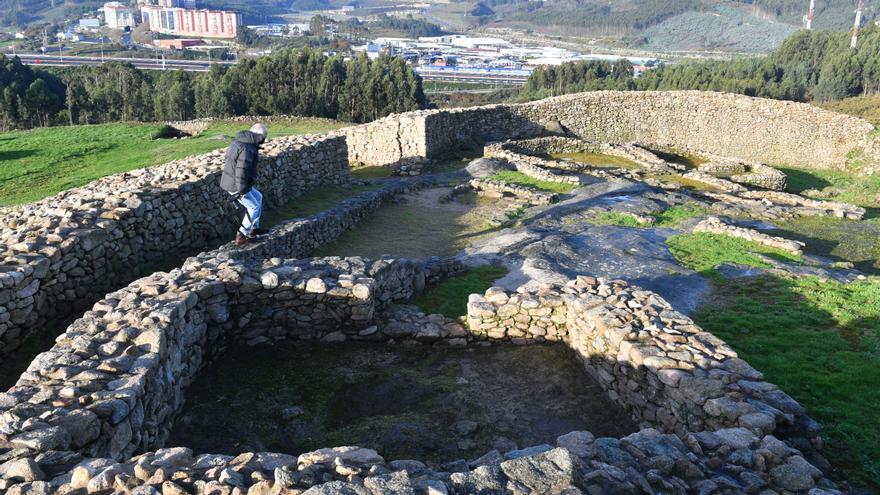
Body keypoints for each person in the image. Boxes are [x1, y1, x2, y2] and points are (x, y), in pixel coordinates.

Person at [220, 123, 269, 245]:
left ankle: (253, 229)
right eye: (263, 137)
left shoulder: (239, 141)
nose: (263, 141)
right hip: (237, 185)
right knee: (253, 206)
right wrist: (241, 191)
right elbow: (241, 170)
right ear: (258, 135)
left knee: (258, 197)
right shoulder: (248, 148)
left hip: (236, 182)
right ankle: (241, 235)